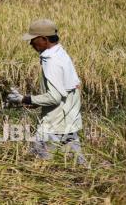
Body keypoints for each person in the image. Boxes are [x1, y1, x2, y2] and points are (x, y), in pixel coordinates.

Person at [6, 19, 86, 165]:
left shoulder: (52, 60)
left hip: (54, 125)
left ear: (44, 39)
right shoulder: (61, 54)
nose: (31, 44)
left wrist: (24, 99)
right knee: (76, 163)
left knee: (39, 163)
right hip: (68, 120)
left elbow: (54, 97)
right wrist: (38, 102)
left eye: (33, 40)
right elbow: (68, 90)